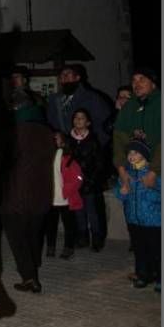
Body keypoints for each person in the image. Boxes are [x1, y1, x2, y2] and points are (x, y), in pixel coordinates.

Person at [1, 84, 55, 293]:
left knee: (17, 237)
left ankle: (29, 276)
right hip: (41, 191)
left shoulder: (14, 131)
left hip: (15, 194)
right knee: (34, 232)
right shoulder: (45, 131)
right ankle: (34, 265)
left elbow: (5, 162)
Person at [113, 137, 161, 290]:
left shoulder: (153, 173)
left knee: (156, 250)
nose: (131, 156)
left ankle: (161, 277)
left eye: (135, 152)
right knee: (139, 249)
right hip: (133, 219)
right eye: (129, 153)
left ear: (145, 156)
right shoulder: (127, 173)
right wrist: (122, 192)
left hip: (153, 221)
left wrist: (149, 191)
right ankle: (142, 275)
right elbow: (119, 192)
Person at [113, 66, 161, 185]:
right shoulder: (129, 107)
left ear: (153, 84)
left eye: (142, 79)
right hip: (132, 171)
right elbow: (119, 140)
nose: (136, 83)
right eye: (134, 80)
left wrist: (154, 171)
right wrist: (121, 170)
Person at [68, 107, 107, 250]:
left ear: (88, 122)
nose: (78, 120)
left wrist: (90, 180)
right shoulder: (68, 140)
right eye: (76, 117)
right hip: (74, 185)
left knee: (92, 212)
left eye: (82, 117)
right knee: (78, 212)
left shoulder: (93, 141)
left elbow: (99, 164)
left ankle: (97, 239)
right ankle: (82, 237)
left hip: (89, 183)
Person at [46, 63, 112, 146]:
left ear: (77, 77)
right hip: (62, 147)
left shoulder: (92, 98)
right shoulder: (54, 100)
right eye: (62, 75)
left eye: (68, 73)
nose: (65, 77)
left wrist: (95, 144)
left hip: (86, 146)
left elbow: (105, 125)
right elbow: (50, 123)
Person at [45, 130, 79, 259]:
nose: (54, 140)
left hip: (66, 198)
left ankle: (69, 247)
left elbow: (76, 177)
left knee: (69, 225)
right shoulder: (48, 155)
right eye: (52, 138)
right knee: (50, 225)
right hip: (51, 198)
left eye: (57, 138)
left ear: (64, 142)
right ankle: (50, 247)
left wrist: (68, 190)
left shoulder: (68, 157)